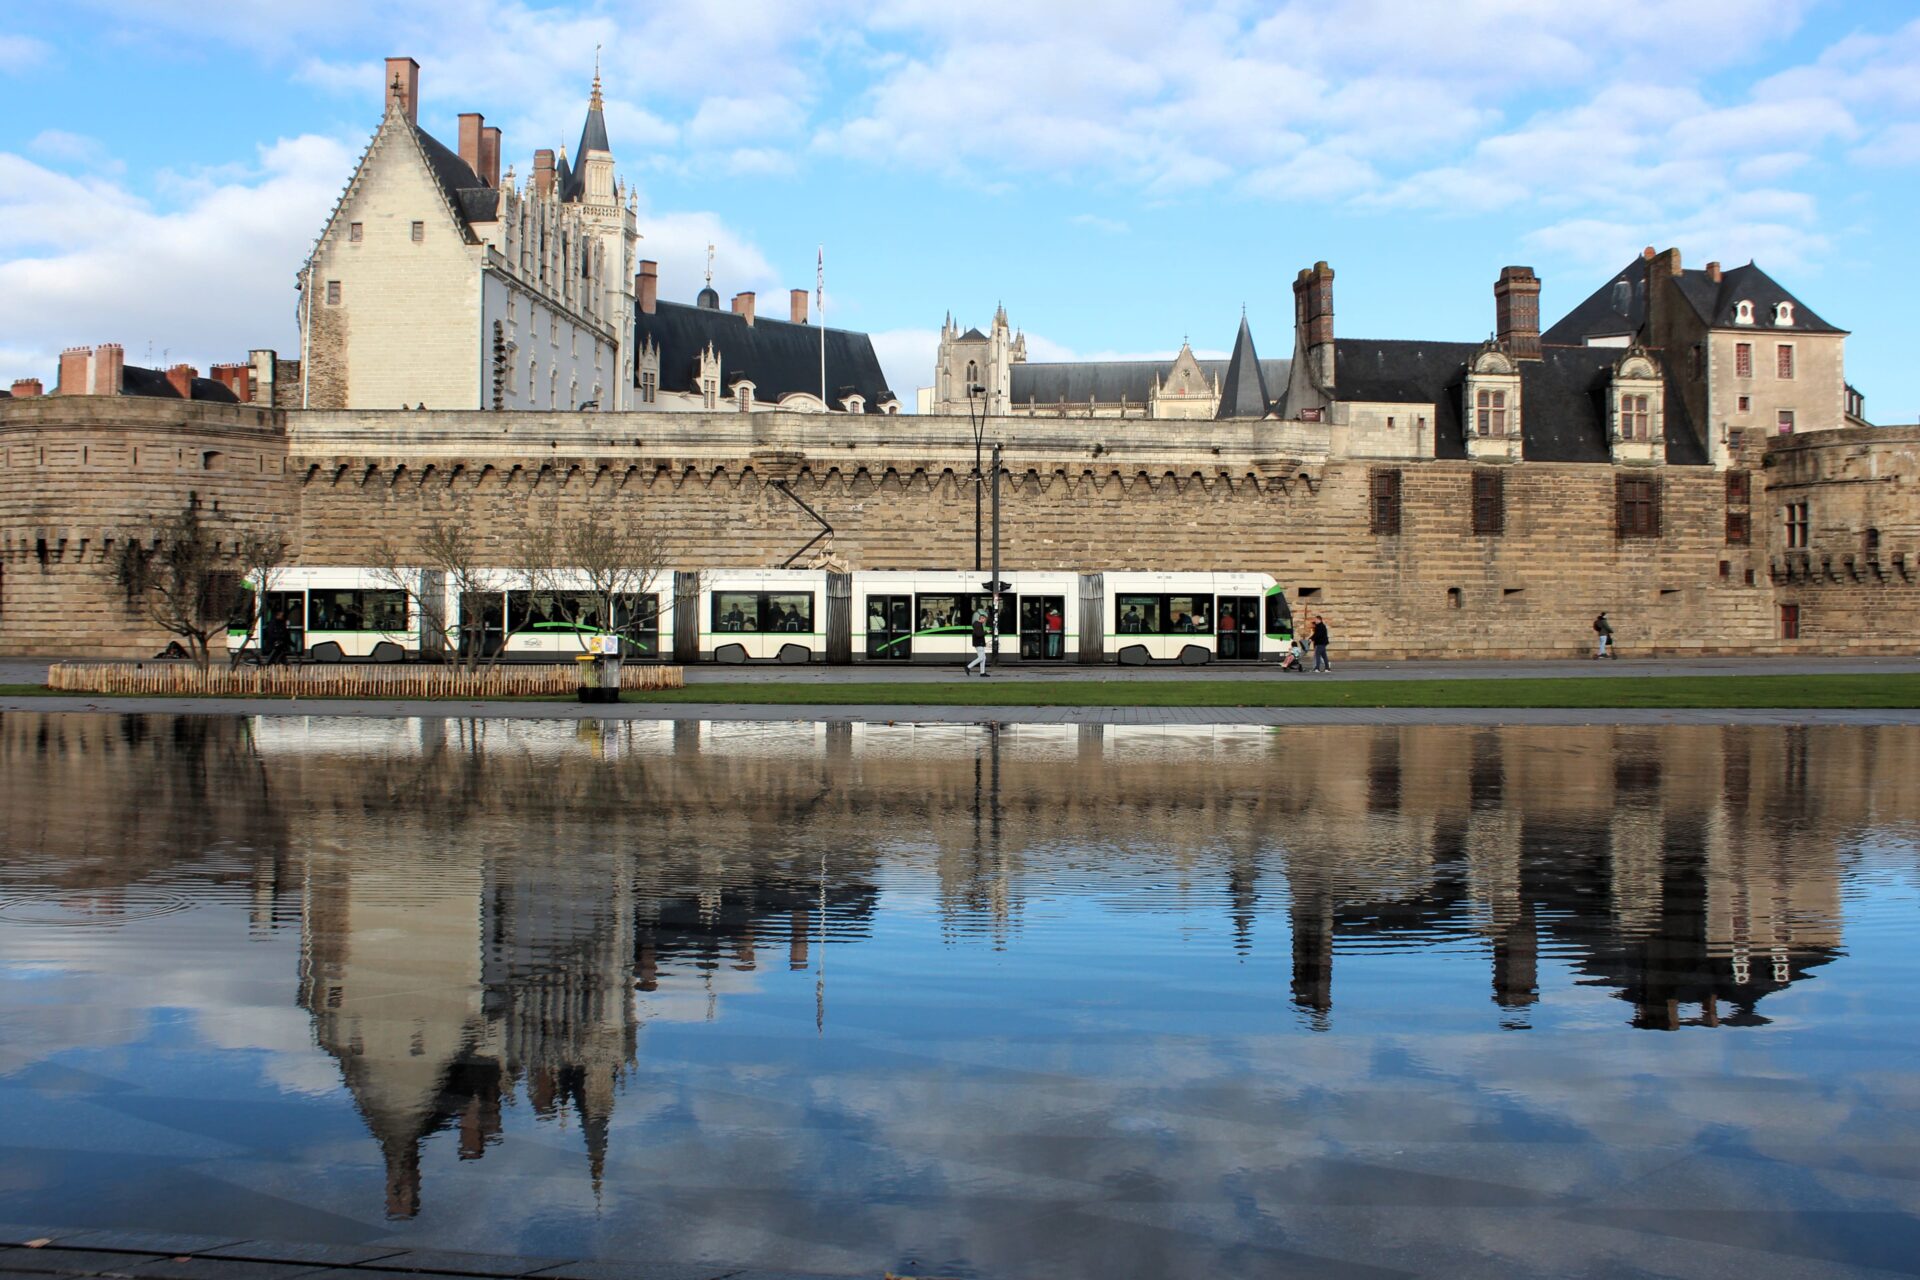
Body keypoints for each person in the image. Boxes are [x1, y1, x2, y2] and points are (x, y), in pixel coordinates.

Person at [966, 610, 990, 677]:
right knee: (981, 658)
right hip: (979, 643)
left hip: (979, 643)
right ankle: (968, 667)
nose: (985, 621)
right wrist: (986, 632)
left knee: (983, 658)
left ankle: (982, 672)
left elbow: (978, 634)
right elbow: (979, 634)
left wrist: (985, 632)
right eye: (984, 619)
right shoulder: (978, 625)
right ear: (981, 618)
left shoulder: (977, 624)